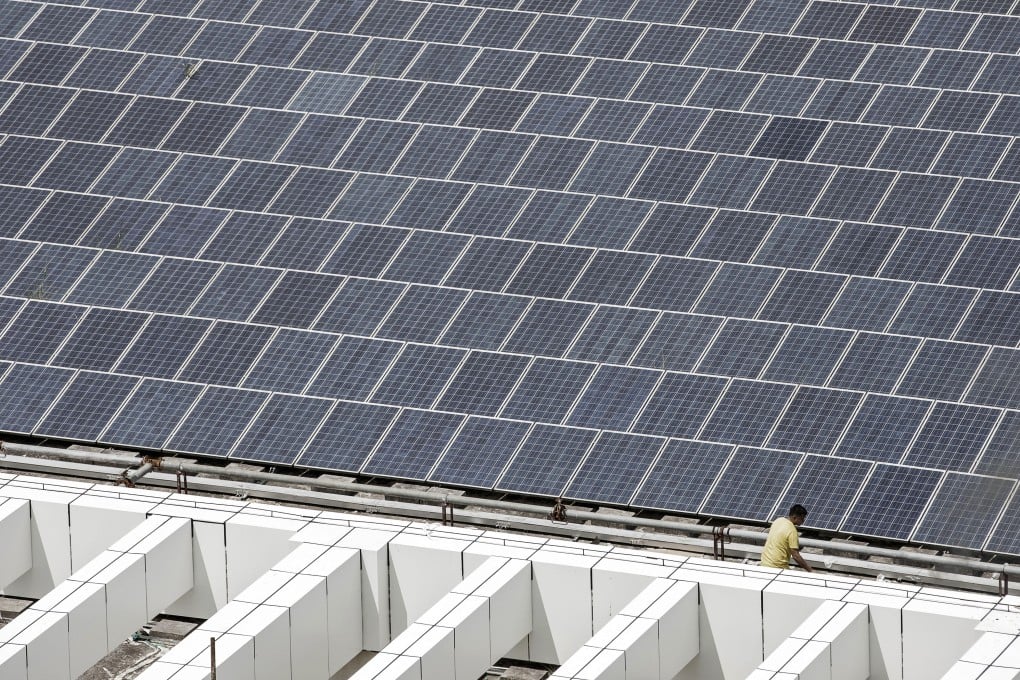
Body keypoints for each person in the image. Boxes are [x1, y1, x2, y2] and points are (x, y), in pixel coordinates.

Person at [760, 504, 813, 571]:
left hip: (764, 563)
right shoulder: (792, 531)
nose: (803, 520)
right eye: (802, 518)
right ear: (794, 517)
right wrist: (810, 570)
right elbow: (795, 556)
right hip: (777, 567)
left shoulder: (778, 520)